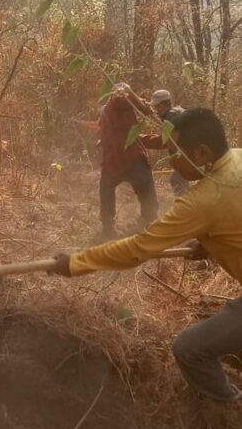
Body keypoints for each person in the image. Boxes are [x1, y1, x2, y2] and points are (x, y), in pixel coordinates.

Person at [52, 108, 242, 402]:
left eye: (174, 152)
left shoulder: (203, 200)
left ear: (203, 152)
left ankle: (228, 413)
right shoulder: (238, 159)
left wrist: (77, 262)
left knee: (189, 349)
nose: (170, 161)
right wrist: (212, 243)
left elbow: (138, 249)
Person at [97, 83, 158, 239]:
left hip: (114, 161)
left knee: (106, 188)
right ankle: (149, 221)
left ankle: (108, 226)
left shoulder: (107, 112)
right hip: (132, 158)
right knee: (146, 189)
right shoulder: (121, 101)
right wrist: (130, 91)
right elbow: (146, 110)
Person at [142, 89, 188, 196]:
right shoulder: (176, 112)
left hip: (187, 154)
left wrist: (142, 140)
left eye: (158, 106)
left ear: (166, 104)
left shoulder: (171, 116)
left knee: (176, 179)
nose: (156, 110)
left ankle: (185, 207)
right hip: (188, 153)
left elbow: (170, 141)